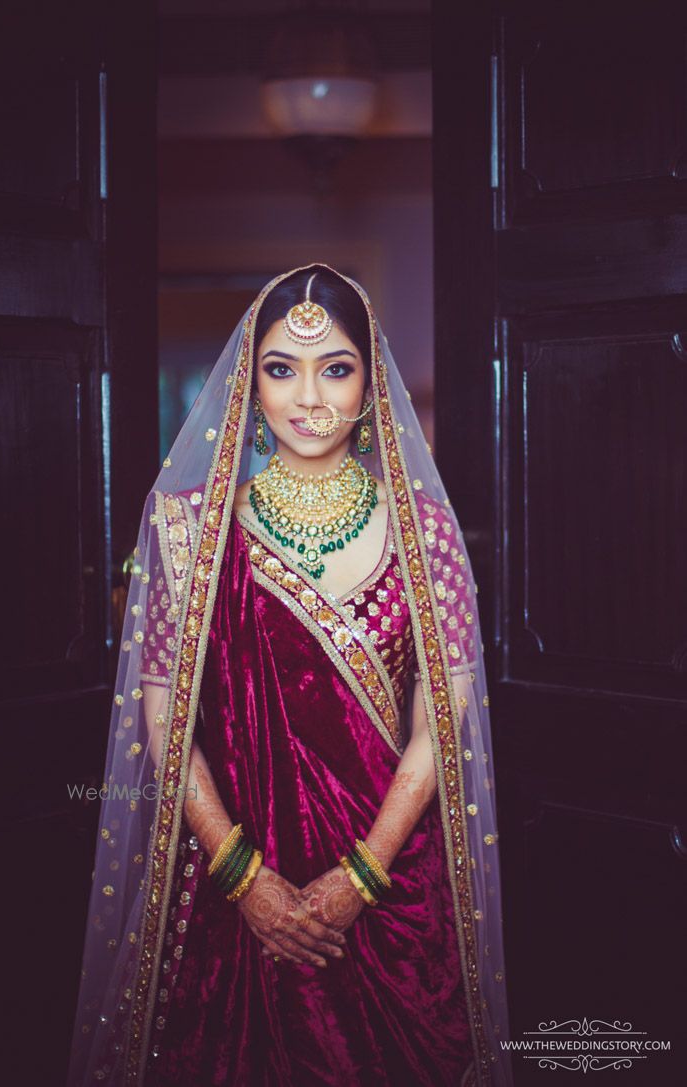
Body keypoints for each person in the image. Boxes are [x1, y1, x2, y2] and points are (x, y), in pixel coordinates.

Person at [66, 263, 513, 1086]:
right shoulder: (187, 535)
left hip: (388, 903)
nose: (309, 397)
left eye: (335, 368)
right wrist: (246, 880)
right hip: (232, 898)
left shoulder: (429, 540)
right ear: (250, 380)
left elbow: (435, 733)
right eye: (282, 368)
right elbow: (163, 723)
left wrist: (356, 878)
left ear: (372, 385)